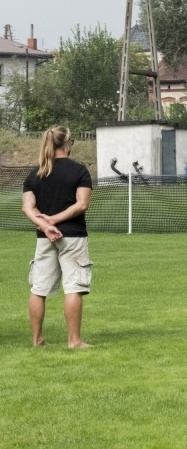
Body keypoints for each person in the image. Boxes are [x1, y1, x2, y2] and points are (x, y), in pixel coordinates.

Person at [22, 125, 93, 349]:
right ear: (68, 143)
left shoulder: (35, 174)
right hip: (72, 236)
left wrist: (45, 224)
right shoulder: (79, 171)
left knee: (38, 289)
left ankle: (37, 339)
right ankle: (74, 341)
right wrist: (54, 221)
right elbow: (82, 204)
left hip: (44, 239)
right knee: (73, 287)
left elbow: (27, 208)